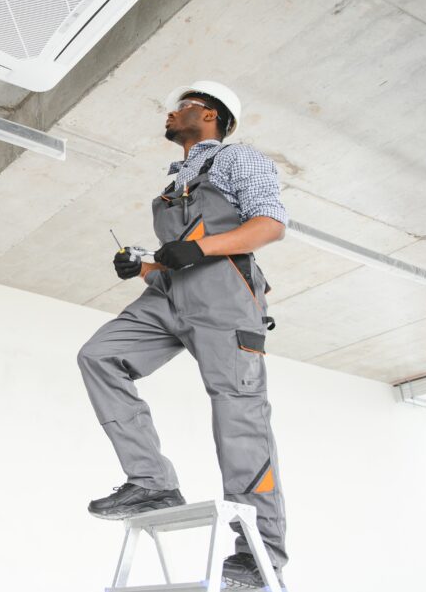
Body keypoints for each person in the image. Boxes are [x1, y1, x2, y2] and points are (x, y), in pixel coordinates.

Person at [76, 81, 288, 588]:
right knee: (99, 356)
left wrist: (201, 250)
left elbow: (270, 225)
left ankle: (260, 558)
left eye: (183, 107)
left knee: (238, 419)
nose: (171, 113)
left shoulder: (241, 159)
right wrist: (143, 266)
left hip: (225, 299)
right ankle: (152, 482)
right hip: (170, 297)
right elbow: (179, 256)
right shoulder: (174, 181)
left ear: (211, 115)